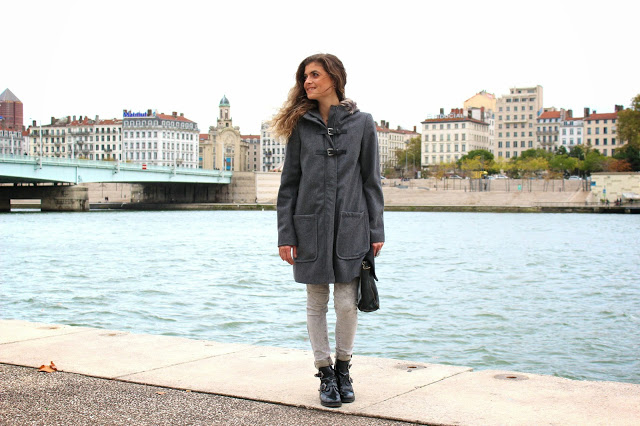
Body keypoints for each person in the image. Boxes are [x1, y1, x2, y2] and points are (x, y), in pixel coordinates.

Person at [273, 53, 384, 408]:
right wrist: (286, 234)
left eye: (314, 75)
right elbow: (289, 184)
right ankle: (324, 373)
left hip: (352, 226)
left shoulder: (363, 123)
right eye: (304, 77)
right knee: (316, 302)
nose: (307, 82)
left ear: (333, 78)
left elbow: (371, 180)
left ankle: (344, 369)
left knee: (347, 304)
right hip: (309, 227)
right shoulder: (300, 126)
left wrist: (376, 229)